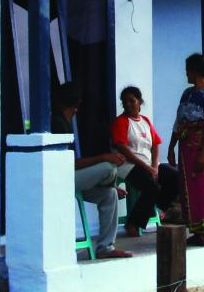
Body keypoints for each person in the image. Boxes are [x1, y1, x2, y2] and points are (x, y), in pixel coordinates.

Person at [52, 82, 131, 259]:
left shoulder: (65, 122)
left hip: (72, 178)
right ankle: (109, 183)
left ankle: (105, 247)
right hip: (60, 178)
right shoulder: (56, 123)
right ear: (74, 105)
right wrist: (103, 157)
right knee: (108, 166)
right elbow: (69, 164)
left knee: (109, 194)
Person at [111, 86, 180, 238]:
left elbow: (155, 145)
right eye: (125, 102)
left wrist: (155, 166)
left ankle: (159, 209)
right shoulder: (121, 122)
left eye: (132, 100)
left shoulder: (146, 121)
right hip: (128, 165)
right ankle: (133, 223)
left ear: (140, 102)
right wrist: (148, 168)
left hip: (148, 165)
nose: (128, 104)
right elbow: (123, 149)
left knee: (175, 177)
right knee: (152, 187)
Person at [168, 53, 204, 247]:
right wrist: (172, 146)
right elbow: (179, 121)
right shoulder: (187, 94)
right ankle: (195, 230)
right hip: (185, 147)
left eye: (188, 71)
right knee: (188, 188)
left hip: (202, 146)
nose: (186, 75)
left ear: (196, 71)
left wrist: (202, 155)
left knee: (203, 187)